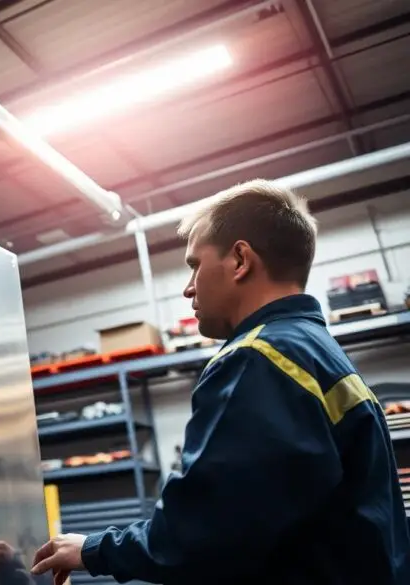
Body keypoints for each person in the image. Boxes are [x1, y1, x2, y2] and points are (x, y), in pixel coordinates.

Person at [30, 179, 410, 585]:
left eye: (195, 264)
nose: (188, 287)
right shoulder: (317, 352)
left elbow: (202, 531)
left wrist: (92, 550)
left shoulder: (257, 358)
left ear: (240, 259)